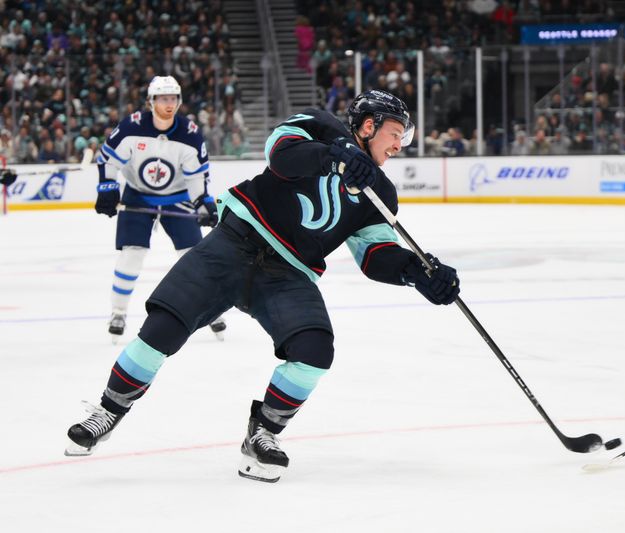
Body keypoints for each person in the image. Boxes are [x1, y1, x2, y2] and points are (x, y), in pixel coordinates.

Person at [65, 90, 461, 483]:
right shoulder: (319, 125)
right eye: (395, 133)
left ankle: (263, 433)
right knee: (162, 329)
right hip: (232, 244)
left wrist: (418, 272)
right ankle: (108, 411)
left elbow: (375, 257)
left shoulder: (381, 193)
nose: (398, 145)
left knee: (315, 351)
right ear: (369, 124)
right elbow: (283, 158)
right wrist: (334, 155)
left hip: (287, 275)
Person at [93, 75, 226, 342]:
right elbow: (108, 159)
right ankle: (118, 312)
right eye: (163, 98)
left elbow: (196, 177)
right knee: (132, 254)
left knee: (193, 256)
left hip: (176, 197)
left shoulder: (189, 134)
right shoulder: (132, 127)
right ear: (150, 101)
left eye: (173, 98)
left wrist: (203, 202)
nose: (169, 103)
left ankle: (211, 311)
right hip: (138, 196)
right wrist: (107, 186)